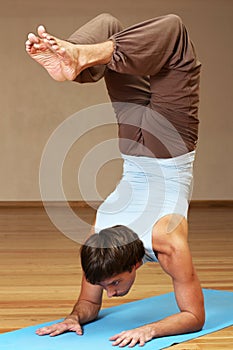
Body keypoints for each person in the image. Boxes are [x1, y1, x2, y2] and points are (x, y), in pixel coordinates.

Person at [25, 13, 205, 347]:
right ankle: (79, 59)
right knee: (110, 28)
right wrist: (72, 317)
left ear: (136, 261)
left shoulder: (166, 244)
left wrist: (151, 329)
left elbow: (195, 317)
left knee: (175, 35)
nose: (110, 292)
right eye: (110, 286)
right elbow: (89, 305)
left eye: (112, 285)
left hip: (170, 141)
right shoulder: (100, 241)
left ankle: (78, 59)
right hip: (137, 142)